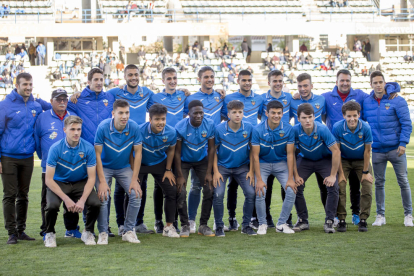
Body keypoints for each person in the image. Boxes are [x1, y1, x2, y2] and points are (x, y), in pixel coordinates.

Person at [362, 71, 413, 227]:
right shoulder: (367, 102)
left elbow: (406, 124)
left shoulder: (397, 100)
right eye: (375, 83)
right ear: (371, 84)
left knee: (403, 181)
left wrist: (403, 143)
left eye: (380, 82)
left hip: (395, 149)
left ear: (385, 83)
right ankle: (380, 215)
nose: (378, 85)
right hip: (377, 150)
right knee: (379, 183)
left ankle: (408, 215)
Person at [43, 116, 101, 247]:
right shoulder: (55, 148)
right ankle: (50, 233)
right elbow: (48, 179)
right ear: (64, 130)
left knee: (95, 203)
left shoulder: (88, 148)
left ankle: (88, 231)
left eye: (79, 129)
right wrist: (67, 199)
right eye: (72, 129)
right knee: (52, 206)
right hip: (59, 183)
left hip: (80, 182)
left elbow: (92, 178)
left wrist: (81, 200)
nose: (76, 132)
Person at [0, 73, 42, 244]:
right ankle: (11, 233)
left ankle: (21, 230)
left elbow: (52, 104)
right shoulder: (5, 105)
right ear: (17, 85)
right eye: (25, 84)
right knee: (10, 194)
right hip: (8, 157)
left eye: (30, 84)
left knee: (23, 195)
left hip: (27, 157)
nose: (28, 87)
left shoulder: (35, 105)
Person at [94, 100, 143, 244]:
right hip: (105, 167)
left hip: (124, 167)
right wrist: (102, 181)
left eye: (127, 112)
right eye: (121, 113)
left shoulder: (133, 127)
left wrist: (135, 179)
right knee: (103, 196)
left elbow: (138, 153)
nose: (124, 116)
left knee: (136, 194)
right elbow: (97, 155)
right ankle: (103, 232)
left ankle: (128, 230)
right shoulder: (103, 127)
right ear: (113, 113)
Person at [34, 89, 81, 238]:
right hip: (50, 167)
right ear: (51, 101)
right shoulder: (42, 117)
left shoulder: (73, 117)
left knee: (72, 197)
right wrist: (45, 159)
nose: (62, 102)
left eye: (64, 99)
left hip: (70, 167)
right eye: (58, 99)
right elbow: (37, 141)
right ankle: (46, 229)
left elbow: (78, 138)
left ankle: (71, 228)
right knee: (48, 201)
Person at [184, 66, 225, 233]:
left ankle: (216, 221)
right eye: (206, 77)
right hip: (197, 149)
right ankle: (191, 220)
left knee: (215, 186)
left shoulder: (221, 97)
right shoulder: (190, 98)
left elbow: (226, 116)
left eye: (212, 76)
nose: (209, 79)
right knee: (195, 186)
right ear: (199, 79)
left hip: (215, 148)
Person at [292, 103, 341, 234]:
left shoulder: (322, 129)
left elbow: (336, 151)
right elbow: (290, 153)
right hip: (305, 160)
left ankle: (330, 221)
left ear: (314, 117)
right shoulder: (295, 130)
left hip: (323, 160)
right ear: (298, 119)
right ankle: (303, 220)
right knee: (295, 185)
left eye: (310, 117)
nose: (307, 120)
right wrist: (296, 176)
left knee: (333, 186)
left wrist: (332, 175)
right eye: (304, 118)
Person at [252, 100, 298, 235]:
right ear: (267, 113)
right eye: (273, 113)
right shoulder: (257, 129)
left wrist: (290, 178)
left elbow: (290, 154)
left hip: (281, 164)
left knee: (291, 190)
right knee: (260, 191)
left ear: (283, 114)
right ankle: (262, 223)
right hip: (263, 163)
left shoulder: (288, 129)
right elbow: (255, 156)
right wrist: (259, 179)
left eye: (279, 113)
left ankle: (281, 223)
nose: (276, 116)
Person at [213, 100, 256, 237]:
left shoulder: (249, 128)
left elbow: (253, 151)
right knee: (218, 194)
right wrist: (215, 171)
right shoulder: (219, 129)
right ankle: (219, 226)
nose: (237, 115)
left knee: (251, 193)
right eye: (234, 112)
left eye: (240, 112)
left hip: (242, 167)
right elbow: (213, 151)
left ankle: (246, 225)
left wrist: (251, 170)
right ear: (228, 114)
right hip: (223, 167)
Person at [175, 100, 215, 237]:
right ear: (188, 114)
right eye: (195, 113)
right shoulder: (180, 127)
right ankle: (185, 225)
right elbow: (177, 152)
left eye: (201, 113)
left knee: (209, 189)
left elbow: (211, 149)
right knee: (180, 190)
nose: (199, 116)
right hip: (184, 161)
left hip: (201, 160)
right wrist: (180, 175)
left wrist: (209, 173)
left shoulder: (209, 124)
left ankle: (203, 225)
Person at [140, 104, 180, 237]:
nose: (160, 122)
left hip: (159, 163)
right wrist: (134, 173)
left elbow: (171, 150)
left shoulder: (171, 132)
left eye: (163, 119)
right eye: (157, 119)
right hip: (141, 164)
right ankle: (129, 226)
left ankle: (169, 227)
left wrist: (168, 169)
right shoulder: (140, 131)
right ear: (150, 119)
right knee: (133, 190)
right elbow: (132, 151)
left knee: (171, 190)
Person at [333, 101, 373, 232]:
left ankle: (363, 219)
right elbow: (337, 152)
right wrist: (341, 174)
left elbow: (367, 151)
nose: (352, 119)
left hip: (361, 160)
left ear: (359, 115)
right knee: (340, 186)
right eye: (349, 116)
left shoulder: (365, 127)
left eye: (355, 115)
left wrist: (366, 172)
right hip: (343, 160)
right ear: (344, 115)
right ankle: (342, 219)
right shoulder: (337, 127)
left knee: (367, 186)